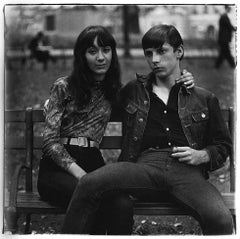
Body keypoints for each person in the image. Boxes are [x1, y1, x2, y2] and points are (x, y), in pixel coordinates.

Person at [61, 24, 233, 235]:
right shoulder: (133, 90)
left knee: (221, 219)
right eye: (149, 54)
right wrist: (64, 95)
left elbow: (223, 145)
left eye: (162, 51)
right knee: (90, 183)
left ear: (179, 52)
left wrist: (202, 155)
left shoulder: (204, 98)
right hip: (143, 168)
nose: (155, 60)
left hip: (187, 173)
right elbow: (99, 97)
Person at [38, 25, 195, 235]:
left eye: (106, 50)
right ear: (81, 55)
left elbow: (152, 96)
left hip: (93, 162)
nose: (101, 57)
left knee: (121, 205)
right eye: (92, 51)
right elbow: (49, 141)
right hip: (58, 169)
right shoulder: (64, 86)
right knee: (91, 197)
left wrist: (184, 78)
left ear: (113, 53)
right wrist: (81, 175)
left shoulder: (115, 92)